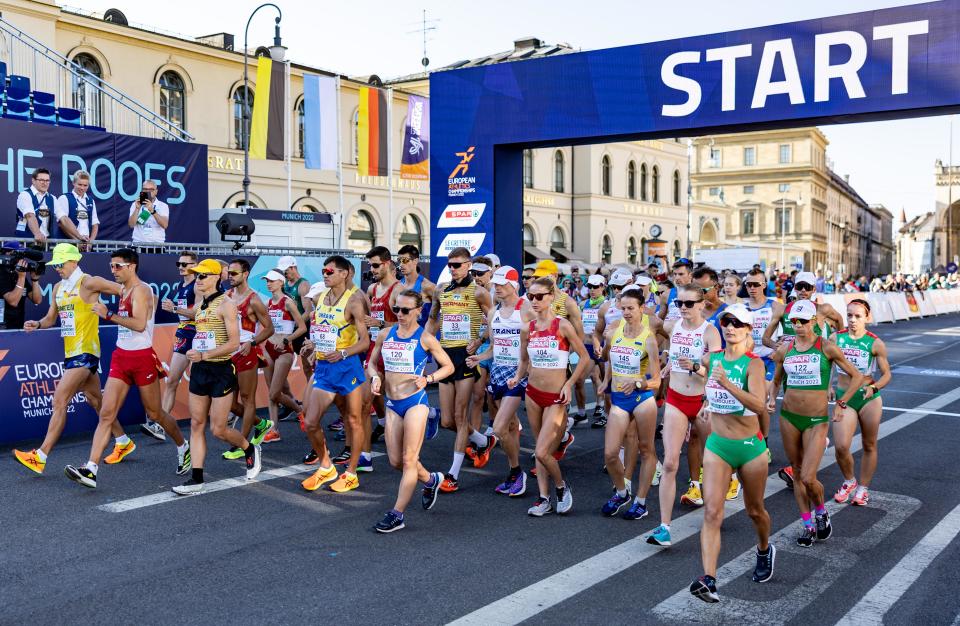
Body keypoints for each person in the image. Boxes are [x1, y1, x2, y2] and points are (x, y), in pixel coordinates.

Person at [65, 248, 190, 488]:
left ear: (132, 266)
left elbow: (140, 325)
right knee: (106, 413)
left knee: (155, 414)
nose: (113, 271)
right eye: (111, 266)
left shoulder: (143, 290)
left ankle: (183, 447)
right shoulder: (122, 289)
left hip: (142, 358)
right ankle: (90, 468)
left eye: (118, 266)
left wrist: (108, 314)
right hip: (121, 357)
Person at [689, 304, 774, 603]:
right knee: (712, 512)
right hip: (718, 446)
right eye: (726, 322)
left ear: (748, 330)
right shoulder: (712, 359)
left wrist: (726, 383)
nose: (730, 327)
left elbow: (758, 405)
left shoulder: (754, 364)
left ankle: (764, 549)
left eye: (738, 323)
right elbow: (708, 387)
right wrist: (705, 403)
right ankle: (709, 579)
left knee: (755, 511)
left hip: (750, 448)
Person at [14, 244, 124, 473]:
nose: (58, 269)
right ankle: (123, 441)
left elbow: (126, 289)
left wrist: (128, 314)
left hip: (86, 352)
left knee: (59, 401)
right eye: (56, 265)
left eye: (61, 264)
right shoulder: (57, 288)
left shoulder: (89, 282)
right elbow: (50, 318)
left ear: (74, 261)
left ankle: (40, 456)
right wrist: (38, 324)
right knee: (96, 401)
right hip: (71, 353)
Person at [770, 299, 863, 546]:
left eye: (803, 321)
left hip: (816, 419)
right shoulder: (786, 349)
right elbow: (776, 380)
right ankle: (808, 525)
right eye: (794, 322)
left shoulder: (827, 347)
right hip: (789, 417)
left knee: (809, 477)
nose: (798, 326)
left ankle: (821, 511)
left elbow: (856, 376)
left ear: (814, 321)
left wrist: (842, 403)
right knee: (798, 474)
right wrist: (770, 398)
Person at [367, 290, 455, 532]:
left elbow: (448, 366)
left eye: (406, 310)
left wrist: (429, 378)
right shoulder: (386, 333)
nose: (400, 314)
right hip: (392, 403)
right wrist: (375, 377)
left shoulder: (425, 337)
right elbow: (372, 363)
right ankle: (431, 480)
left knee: (408, 460)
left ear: (418, 311)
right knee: (395, 461)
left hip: (415, 402)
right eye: (396, 309)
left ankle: (397, 514)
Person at [172, 259, 262, 494]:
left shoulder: (227, 304)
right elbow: (201, 330)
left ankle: (249, 448)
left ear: (215, 278)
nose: (197, 280)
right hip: (201, 368)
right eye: (197, 276)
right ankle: (197, 479)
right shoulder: (201, 303)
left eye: (202, 276)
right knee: (196, 423)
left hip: (221, 369)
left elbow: (234, 343)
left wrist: (205, 354)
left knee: (218, 429)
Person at [508, 277, 591, 516]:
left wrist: (569, 384)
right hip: (533, 394)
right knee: (538, 450)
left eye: (539, 296)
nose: (533, 300)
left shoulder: (562, 325)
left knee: (544, 452)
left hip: (556, 397)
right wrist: (517, 376)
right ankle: (543, 498)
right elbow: (524, 360)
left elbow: (584, 357)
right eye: (530, 296)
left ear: (551, 297)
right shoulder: (528, 328)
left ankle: (561, 487)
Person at [647, 283, 722, 547]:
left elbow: (717, 371)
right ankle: (664, 527)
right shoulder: (672, 326)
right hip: (676, 400)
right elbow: (652, 330)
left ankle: (715, 509)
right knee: (669, 463)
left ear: (702, 304)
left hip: (703, 401)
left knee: (712, 462)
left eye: (689, 304)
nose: (683, 308)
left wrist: (697, 368)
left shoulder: (710, 332)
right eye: (679, 303)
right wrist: (663, 363)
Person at [762, 270, 845, 488]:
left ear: (814, 289)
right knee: (795, 415)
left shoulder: (822, 310)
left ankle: (801, 469)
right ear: (794, 287)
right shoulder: (782, 310)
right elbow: (765, 338)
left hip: (816, 371)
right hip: (791, 369)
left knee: (812, 417)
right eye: (800, 287)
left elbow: (840, 325)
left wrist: (838, 340)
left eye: (808, 287)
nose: (804, 291)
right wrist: (778, 347)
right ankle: (803, 462)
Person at [299, 255, 370, 493]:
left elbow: (364, 341)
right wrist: (313, 347)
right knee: (310, 422)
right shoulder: (320, 299)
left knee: (353, 419)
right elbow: (324, 332)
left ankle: (351, 473)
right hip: (325, 367)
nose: (325, 274)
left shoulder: (354, 301)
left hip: (347, 366)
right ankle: (326, 466)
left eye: (330, 271)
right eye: (323, 271)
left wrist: (341, 353)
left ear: (344, 273)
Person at [426, 247, 493, 493]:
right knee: (447, 420)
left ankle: (453, 474)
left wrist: (480, 340)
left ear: (468, 265)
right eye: (450, 265)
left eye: (457, 265)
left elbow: (495, 321)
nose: (452, 269)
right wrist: (423, 345)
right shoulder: (441, 290)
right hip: (445, 356)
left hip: (465, 357)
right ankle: (483, 440)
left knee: (460, 416)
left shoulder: (480, 292)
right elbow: (433, 320)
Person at [466, 266, 534, 496]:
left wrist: (531, 371)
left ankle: (518, 472)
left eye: (502, 284)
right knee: (511, 426)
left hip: (521, 375)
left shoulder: (526, 309)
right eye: (495, 284)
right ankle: (516, 472)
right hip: (499, 372)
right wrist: (479, 357)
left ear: (514, 285)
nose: (497, 288)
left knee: (499, 427)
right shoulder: (494, 313)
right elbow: (495, 346)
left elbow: (539, 340)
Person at [597, 288, 661, 521]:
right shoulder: (615, 331)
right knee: (610, 453)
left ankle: (641, 502)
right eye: (622, 308)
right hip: (618, 398)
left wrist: (639, 383)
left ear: (641, 309)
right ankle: (622, 493)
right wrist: (605, 381)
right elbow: (608, 360)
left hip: (642, 399)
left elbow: (656, 379)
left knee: (646, 450)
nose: (626, 312)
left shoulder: (648, 338)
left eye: (631, 308)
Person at [830, 299, 890, 506]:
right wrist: (829, 385)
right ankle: (850, 481)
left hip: (868, 399)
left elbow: (886, 374)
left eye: (858, 316)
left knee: (869, 444)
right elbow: (826, 363)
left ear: (867, 318)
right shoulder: (836, 338)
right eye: (849, 316)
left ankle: (863, 488)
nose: (853, 320)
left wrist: (874, 387)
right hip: (844, 396)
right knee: (841, 446)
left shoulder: (875, 343)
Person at [222, 259, 274, 460]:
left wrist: (252, 343)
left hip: (246, 353)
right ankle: (261, 424)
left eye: (234, 273)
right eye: (229, 273)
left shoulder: (253, 300)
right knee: (229, 404)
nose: (230, 277)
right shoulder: (226, 296)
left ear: (246, 274)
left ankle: (242, 444)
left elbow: (269, 328)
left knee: (246, 398)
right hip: (228, 353)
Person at [151, 251, 198, 441]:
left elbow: (198, 314)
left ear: (194, 266)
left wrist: (175, 309)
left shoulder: (199, 286)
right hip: (183, 334)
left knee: (201, 383)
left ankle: (229, 413)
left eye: (185, 264)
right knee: (171, 381)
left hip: (198, 335)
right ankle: (161, 425)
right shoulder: (181, 285)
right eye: (179, 263)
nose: (180, 267)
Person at [260, 269, 308, 442]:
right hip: (269, 347)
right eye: (267, 280)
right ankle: (274, 430)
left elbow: (302, 327)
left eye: (272, 280)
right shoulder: (266, 303)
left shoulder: (288, 302)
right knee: (272, 393)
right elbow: (266, 327)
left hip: (284, 350)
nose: (268, 283)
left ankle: (299, 410)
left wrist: (287, 340)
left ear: (281, 282)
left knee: (274, 393)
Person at [364, 246, 401, 453]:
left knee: (394, 394)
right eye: (371, 265)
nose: (373, 269)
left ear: (387, 264)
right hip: (374, 346)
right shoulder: (372, 290)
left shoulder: (398, 290)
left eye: (376, 265)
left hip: (394, 349)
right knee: (371, 390)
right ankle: (382, 422)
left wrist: (380, 324)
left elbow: (407, 325)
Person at [591, 269, 633, 428]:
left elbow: (658, 329)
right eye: (613, 287)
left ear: (630, 283)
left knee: (629, 397)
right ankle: (611, 423)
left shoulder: (639, 308)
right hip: (609, 358)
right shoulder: (606, 306)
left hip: (632, 359)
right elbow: (597, 332)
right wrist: (597, 346)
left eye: (619, 287)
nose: (616, 291)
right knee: (609, 396)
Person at [278, 255, 313, 403]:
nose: (285, 274)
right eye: (283, 272)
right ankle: (290, 402)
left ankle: (313, 398)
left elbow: (308, 311)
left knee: (307, 366)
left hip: (301, 330)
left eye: (286, 271)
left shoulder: (303, 284)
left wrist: (294, 328)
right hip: (288, 331)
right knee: (280, 367)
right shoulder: (283, 284)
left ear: (293, 267)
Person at [743, 267, 779, 400]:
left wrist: (778, 350)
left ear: (763, 285)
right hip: (748, 359)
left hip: (768, 359)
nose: (752, 288)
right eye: (749, 284)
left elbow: (788, 333)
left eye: (756, 285)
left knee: (761, 398)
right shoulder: (742, 308)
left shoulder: (774, 306)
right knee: (747, 401)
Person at [576, 274, 607, 425]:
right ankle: (582, 413)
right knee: (580, 379)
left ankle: (602, 408)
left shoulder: (607, 305)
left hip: (602, 346)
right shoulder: (583, 304)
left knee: (602, 379)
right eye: (590, 286)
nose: (593, 289)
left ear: (603, 287)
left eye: (596, 286)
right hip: (587, 346)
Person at [0, 242, 43, 330]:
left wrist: (35, 280)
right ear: (7, 254)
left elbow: (37, 300)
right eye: (18, 256)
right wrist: (22, 276)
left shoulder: (18, 274)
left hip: (18, 326)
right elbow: (13, 301)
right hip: (3, 327)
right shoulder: (2, 273)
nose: (21, 260)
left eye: (22, 257)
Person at [53, 170, 99, 248]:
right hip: (67, 245)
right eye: (80, 184)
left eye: (85, 185)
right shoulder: (64, 198)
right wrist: (76, 241)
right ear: (73, 183)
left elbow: (95, 224)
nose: (82, 188)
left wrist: (90, 242)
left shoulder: (90, 201)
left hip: (86, 245)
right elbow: (62, 224)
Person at [397, 244, 436, 328]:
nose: (401, 264)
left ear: (415, 261)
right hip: (402, 336)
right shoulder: (397, 285)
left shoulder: (427, 286)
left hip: (421, 337)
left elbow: (442, 312)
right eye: (399, 260)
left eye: (404, 260)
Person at [16, 168, 54, 242]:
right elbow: (29, 215)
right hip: (27, 242)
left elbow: (63, 218)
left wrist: (79, 236)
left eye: (47, 180)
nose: (45, 183)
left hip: (45, 242)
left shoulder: (52, 198)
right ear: (33, 181)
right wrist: (38, 234)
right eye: (41, 180)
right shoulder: (25, 195)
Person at [127, 179, 169, 247]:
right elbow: (131, 225)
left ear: (156, 191)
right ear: (142, 191)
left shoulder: (163, 206)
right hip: (138, 245)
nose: (148, 192)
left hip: (157, 246)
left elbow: (164, 225)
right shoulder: (135, 204)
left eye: (151, 189)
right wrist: (137, 208)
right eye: (145, 189)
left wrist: (152, 211)